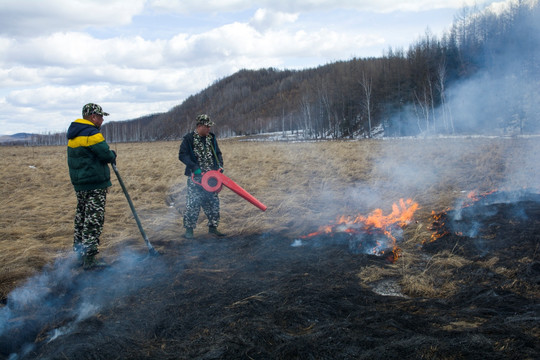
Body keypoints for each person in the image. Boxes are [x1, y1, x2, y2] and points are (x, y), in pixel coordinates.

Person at [67, 103, 117, 270]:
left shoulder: (74, 134)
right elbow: (105, 154)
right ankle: (90, 259)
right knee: (93, 219)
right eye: (101, 117)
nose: (102, 120)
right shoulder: (92, 133)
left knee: (81, 218)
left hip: (80, 185)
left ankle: (79, 254)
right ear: (93, 116)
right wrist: (112, 155)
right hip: (95, 184)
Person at [178, 114, 226, 239]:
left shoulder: (211, 139)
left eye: (210, 126)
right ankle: (189, 230)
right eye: (207, 126)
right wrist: (194, 168)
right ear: (199, 126)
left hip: (211, 178)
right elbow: (182, 155)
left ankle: (213, 228)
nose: (209, 129)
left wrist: (219, 166)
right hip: (196, 179)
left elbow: (218, 153)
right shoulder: (189, 139)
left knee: (213, 203)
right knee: (193, 203)